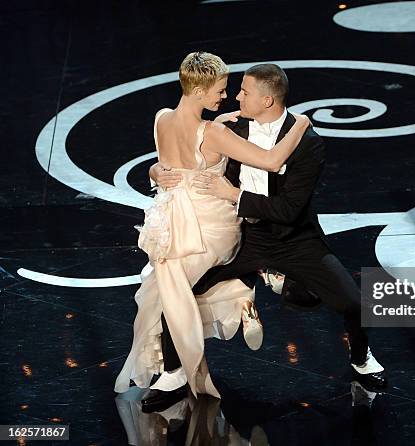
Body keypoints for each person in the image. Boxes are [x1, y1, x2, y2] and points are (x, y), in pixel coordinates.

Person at [151, 64, 387, 391]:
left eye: (244, 92)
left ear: (266, 100)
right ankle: (174, 371)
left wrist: (235, 194)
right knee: (181, 286)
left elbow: (289, 209)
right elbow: (191, 157)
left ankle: (361, 358)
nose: (236, 96)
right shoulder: (231, 127)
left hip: (294, 238)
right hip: (245, 235)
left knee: (353, 303)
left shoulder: (307, 144)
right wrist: (155, 170)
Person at [114, 52, 310, 413]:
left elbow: (176, 155)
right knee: (170, 292)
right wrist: (300, 124)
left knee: (167, 291)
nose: (226, 96)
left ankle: (176, 367)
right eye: (220, 90)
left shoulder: (162, 119)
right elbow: (271, 161)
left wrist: (156, 171)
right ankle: (251, 285)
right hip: (210, 226)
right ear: (200, 89)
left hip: (173, 222)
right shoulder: (215, 133)